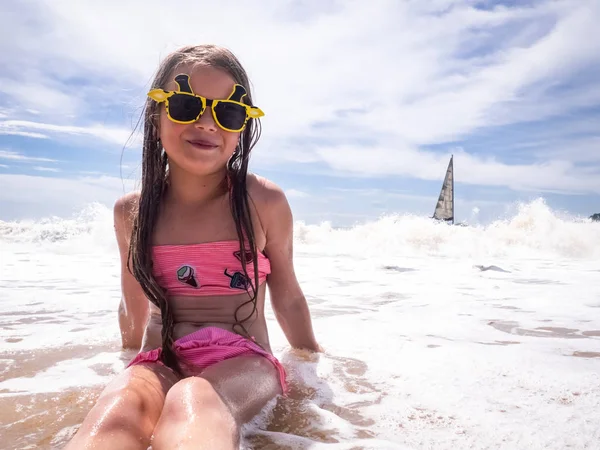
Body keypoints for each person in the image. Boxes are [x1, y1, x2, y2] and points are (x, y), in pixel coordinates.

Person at [65, 44, 321, 450]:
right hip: (160, 356)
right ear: (156, 114)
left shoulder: (263, 201)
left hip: (245, 361)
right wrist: (125, 361)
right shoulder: (132, 212)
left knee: (193, 400)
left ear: (242, 126)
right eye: (186, 105)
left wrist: (311, 365)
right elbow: (132, 300)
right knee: (118, 408)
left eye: (228, 112)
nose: (206, 122)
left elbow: (287, 294)